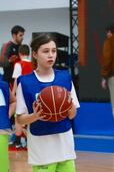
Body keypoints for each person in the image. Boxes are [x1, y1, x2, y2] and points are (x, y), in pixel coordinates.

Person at [15, 34, 80, 171]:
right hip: (42, 151)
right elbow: (20, 120)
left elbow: (72, 114)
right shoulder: (25, 82)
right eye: (45, 51)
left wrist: (69, 107)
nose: (51, 55)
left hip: (65, 148)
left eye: (54, 51)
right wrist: (36, 116)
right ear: (34, 54)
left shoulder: (65, 78)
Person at [9, 44, 33, 149]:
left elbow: (16, 80)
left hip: (20, 94)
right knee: (28, 119)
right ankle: (28, 142)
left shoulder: (18, 64)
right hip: (30, 94)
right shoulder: (33, 64)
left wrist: (13, 94)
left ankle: (18, 142)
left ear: (19, 53)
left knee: (18, 118)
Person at [0, 81, 16, 172]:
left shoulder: (3, 85)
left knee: (2, 167)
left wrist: (6, 116)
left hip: (1, 130)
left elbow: (13, 101)